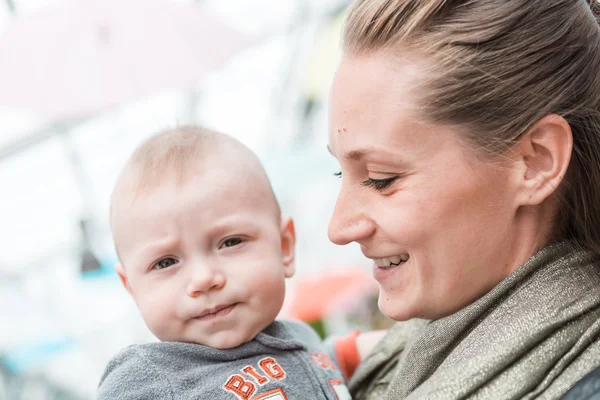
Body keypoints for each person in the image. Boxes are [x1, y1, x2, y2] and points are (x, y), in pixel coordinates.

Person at [326, 0, 600, 399]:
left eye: (382, 179)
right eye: (340, 172)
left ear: (535, 162)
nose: (338, 227)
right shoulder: (395, 356)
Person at [97, 126, 353, 400]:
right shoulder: (146, 381)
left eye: (230, 242)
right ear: (133, 289)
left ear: (284, 247)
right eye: (165, 262)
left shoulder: (301, 338)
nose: (204, 278)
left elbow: (315, 365)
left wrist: (352, 353)